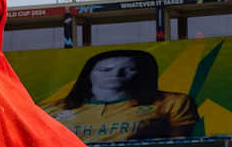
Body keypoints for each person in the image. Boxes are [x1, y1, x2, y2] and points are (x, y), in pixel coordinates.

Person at [42, 48, 200, 141]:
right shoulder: (48, 110)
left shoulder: (173, 102)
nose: (116, 75)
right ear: (88, 74)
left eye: (129, 69)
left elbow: (178, 145)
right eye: (105, 70)